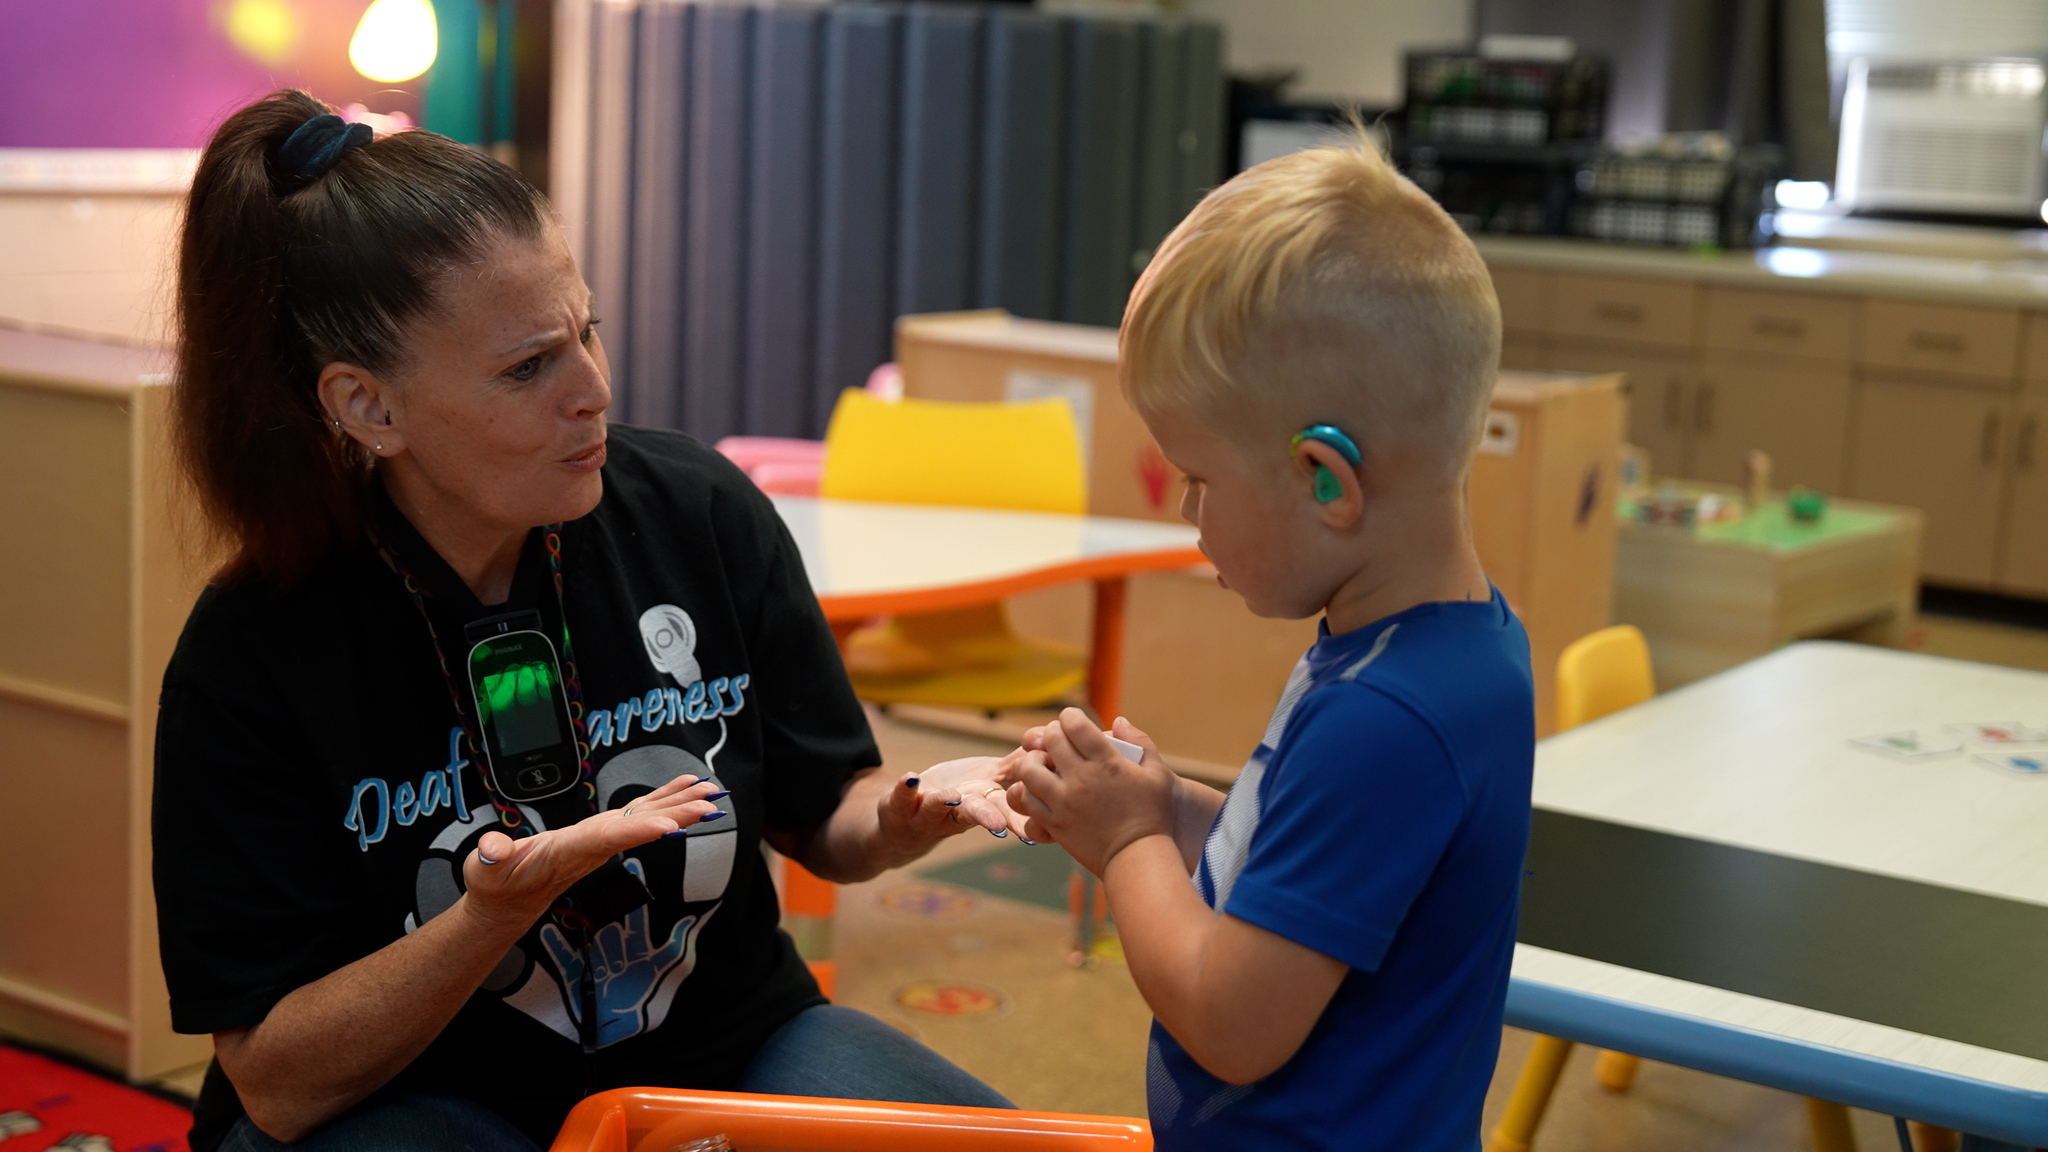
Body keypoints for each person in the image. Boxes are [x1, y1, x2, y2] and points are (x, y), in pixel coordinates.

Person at [154, 90, 1030, 1152]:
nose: (594, 390)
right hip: (417, 1103)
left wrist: (900, 811)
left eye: (587, 331)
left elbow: (820, 820)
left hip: (731, 1051)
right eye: (528, 367)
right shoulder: (254, 651)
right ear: (368, 407)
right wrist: (491, 915)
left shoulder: (698, 510)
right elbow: (283, 1083)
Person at [998, 137, 1535, 1150]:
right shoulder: (1445, 647)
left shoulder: (1386, 719)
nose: (1189, 514)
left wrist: (1127, 845)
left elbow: (1229, 1019)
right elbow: (1308, 875)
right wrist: (1167, 808)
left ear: (1323, 481)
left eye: (1198, 478)